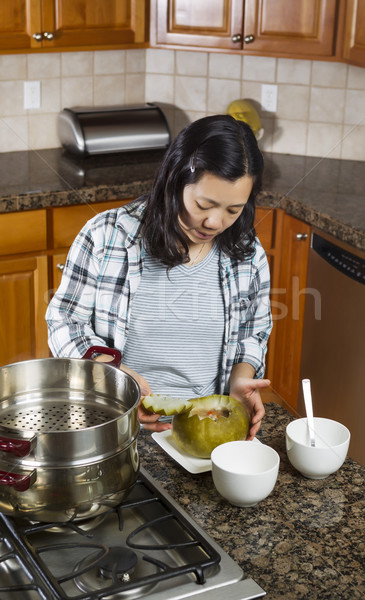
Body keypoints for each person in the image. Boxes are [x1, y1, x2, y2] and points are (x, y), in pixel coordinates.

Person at [46, 115, 272, 437]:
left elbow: (253, 331)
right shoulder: (108, 235)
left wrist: (241, 379)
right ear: (175, 179)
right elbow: (63, 321)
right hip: (114, 426)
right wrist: (116, 380)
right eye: (204, 204)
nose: (215, 222)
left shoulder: (247, 252)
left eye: (233, 210)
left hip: (208, 429)